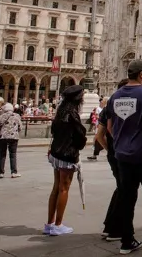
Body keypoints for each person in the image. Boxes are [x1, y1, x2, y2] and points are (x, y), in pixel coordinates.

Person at [106, 59, 142, 255]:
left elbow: (109, 127)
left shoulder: (114, 96)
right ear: (141, 74)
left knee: (126, 199)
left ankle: (126, 241)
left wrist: (122, 142)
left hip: (122, 157)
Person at [45, 85, 88, 236]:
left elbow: (54, 132)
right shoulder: (72, 114)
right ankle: (58, 225)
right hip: (67, 155)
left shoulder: (61, 112)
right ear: (78, 98)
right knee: (64, 189)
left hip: (56, 154)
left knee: (56, 188)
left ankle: (49, 224)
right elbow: (80, 136)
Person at [97, 79, 129, 242]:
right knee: (125, 191)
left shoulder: (108, 108)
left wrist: (109, 149)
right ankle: (116, 229)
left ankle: (110, 225)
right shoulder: (131, 106)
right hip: (127, 154)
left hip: (114, 154)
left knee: (121, 189)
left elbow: (99, 135)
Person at [0, 102, 22, 178]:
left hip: (2, 137)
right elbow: (20, 127)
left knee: (2, 155)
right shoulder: (17, 116)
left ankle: (1, 173)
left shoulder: (1, 116)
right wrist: (14, 132)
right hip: (13, 137)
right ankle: (13, 172)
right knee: (13, 154)